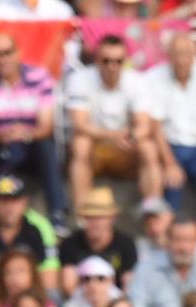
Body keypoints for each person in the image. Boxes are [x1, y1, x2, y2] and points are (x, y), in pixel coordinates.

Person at [0, 32, 63, 222]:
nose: (2, 59)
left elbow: (46, 126)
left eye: (7, 52)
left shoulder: (40, 76)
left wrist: (25, 133)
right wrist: (2, 135)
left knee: (46, 145)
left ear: (18, 52)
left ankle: (57, 214)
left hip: (31, 144)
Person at [147, 33, 196, 242]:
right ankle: (170, 240)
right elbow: (156, 127)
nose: (181, 59)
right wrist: (169, 163)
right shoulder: (154, 78)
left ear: (195, 55)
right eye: (176, 54)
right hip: (170, 146)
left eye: (186, 53)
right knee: (172, 182)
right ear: (168, 56)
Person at [67, 34, 160, 213]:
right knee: (81, 144)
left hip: (125, 148)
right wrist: (116, 135)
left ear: (125, 62)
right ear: (97, 60)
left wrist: (130, 137)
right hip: (95, 148)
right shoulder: (80, 79)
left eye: (118, 61)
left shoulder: (137, 81)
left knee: (148, 147)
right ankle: (82, 213)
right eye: (106, 60)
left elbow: (144, 126)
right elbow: (79, 124)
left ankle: (153, 211)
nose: (112, 66)